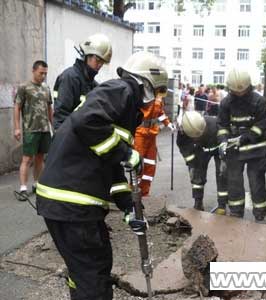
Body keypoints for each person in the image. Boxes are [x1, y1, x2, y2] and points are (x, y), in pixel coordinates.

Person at [36, 51, 168, 300]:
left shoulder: (126, 107)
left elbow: (112, 167)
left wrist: (129, 209)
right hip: (72, 202)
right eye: (158, 91)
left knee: (87, 270)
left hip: (66, 202)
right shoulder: (123, 90)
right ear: (147, 84)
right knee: (93, 277)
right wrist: (125, 152)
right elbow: (86, 121)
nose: (156, 100)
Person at [217, 68, 266, 221]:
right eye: (236, 91)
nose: (239, 93)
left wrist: (245, 137)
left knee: (256, 182)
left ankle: (260, 214)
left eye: (243, 91)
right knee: (234, 182)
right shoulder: (226, 102)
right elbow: (222, 125)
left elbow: (262, 125)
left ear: (249, 86)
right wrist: (223, 141)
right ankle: (236, 212)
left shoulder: (259, 101)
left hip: (256, 150)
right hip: (234, 150)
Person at [53, 33, 112, 130]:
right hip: (68, 138)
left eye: (103, 62)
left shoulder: (92, 84)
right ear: (87, 56)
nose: (100, 65)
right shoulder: (70, 78)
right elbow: (61, 116)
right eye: (97, 60)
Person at [13, 60, 53, 200]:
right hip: (30, 129)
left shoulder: (46, 88)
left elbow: (49, 108)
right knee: (27, 159)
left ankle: (37, 184)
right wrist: (17, 128)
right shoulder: (24, 87)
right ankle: (23, 188)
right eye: (41, 73)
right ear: (34, 70)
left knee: (40, 158)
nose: (43, 76)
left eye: (45, 73)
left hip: (44, 129)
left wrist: (52, 125)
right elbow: (17, 107)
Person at [177, 111, 228, 214]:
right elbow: (184, 147)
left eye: (200, 135)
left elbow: (224, 137)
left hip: (218, 149)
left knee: (222, 174)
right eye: (194, 137)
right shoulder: (183, 131)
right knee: (197, 174)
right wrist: (191, 163)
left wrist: (224, 158)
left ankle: (222, 205)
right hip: (201, 150)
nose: (197, 138)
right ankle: (198, 202)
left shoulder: (215, 124)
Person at [134, 92, 175, 197]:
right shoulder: (142, 93)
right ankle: (133, 192)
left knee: (150, 164)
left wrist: (168, 123)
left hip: (151, 134)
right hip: (140, 133)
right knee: (137, 164)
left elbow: (160, 112)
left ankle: (144, 192)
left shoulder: (158, 96)